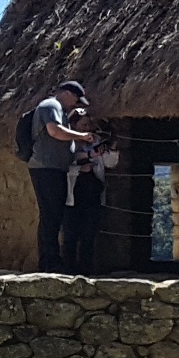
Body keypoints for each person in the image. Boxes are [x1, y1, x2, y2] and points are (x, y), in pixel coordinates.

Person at [25, 81, 89, 271]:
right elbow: (55, 131)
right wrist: (81, 136)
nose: (75, 104)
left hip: (55, 168)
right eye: (76, 100)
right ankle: (49, 261)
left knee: (54, 214)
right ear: (67, 94)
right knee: (50, 214)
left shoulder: (60, 110)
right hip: (46, 168)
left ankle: (51, 259)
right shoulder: (51, 106)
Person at [61, 110, 118, 274]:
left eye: (88, 125)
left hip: (92, 196)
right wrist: (80, 169)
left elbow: (110, 163)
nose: (87, 128)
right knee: (71, 236)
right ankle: (68, 270)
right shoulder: (65, 144)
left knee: (89, 236)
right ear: (73, 126)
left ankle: (86, 270)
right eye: (83, 125)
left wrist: (112, 147)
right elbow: (63, 166)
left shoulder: (96, 141)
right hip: (73, 197)